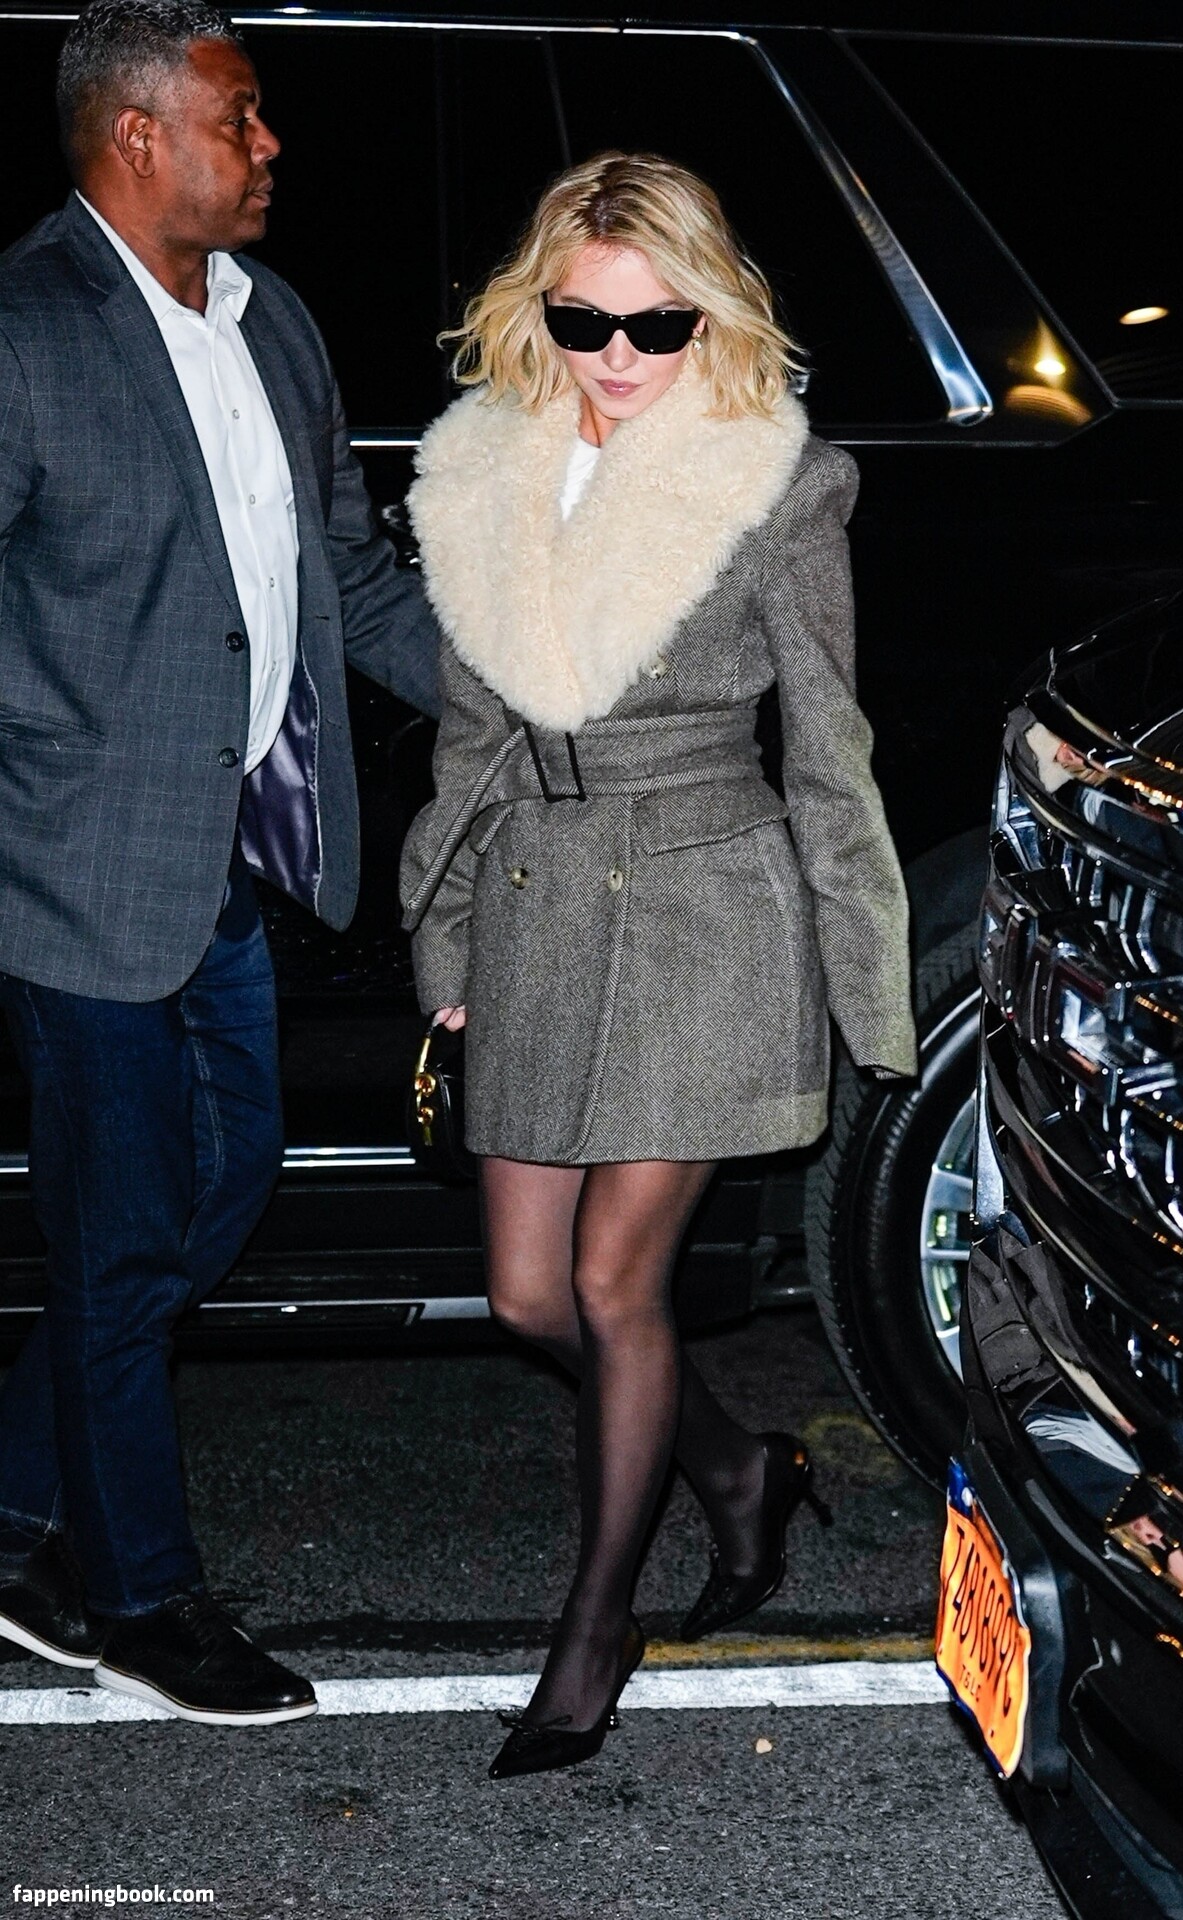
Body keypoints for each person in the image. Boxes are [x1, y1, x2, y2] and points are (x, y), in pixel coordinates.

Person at [400, 151, 916, 1778]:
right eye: (584, 322)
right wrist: (445, 931)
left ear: (712, 316)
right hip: (538, 904)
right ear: (536, 311)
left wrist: (869, 989)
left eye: (657, 326)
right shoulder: (481, 472)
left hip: (706, 911)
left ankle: (594, 1630)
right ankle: (743, 1470)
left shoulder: (775, 482)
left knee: (618, 1286)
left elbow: (830, 747)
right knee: (527, 1293)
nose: (618, 358)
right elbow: (471, 741)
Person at [0, 0, 438, 1724]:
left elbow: (351, 574)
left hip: (231, 862)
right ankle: (137, 1600)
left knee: (226, 1183)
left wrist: (548, 684)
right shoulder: (28, 328)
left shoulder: (276, 321)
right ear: (137, 137)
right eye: (239, 116)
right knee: (119, 1244)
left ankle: (22, 1502)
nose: (270, 146)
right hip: (72, 870)